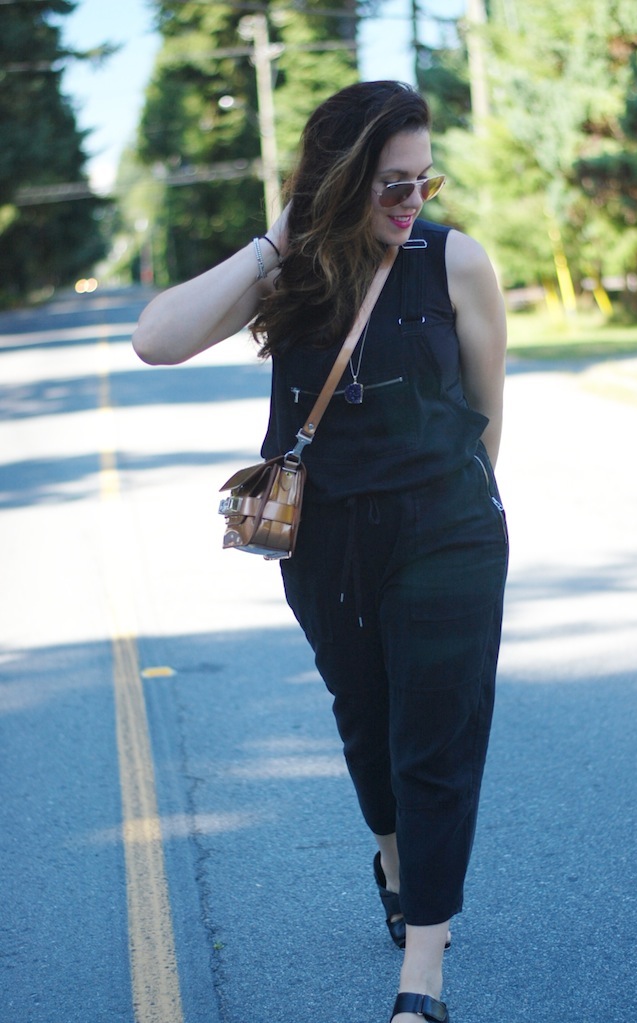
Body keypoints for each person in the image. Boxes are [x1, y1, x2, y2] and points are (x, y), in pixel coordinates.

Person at [133, 80, 508, 1023]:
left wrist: (462, 517)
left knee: (438, 738)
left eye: (424, 181)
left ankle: (421, 978)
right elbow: (155, 340)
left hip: (448, 533)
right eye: (389, 184)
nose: (411, 202)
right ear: (337, 182)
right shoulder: (289, 274)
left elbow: (486, 414)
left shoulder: (456, 264)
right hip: (326, 542)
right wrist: (276, 240)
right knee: (366, 720)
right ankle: (391, 856)